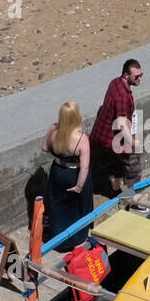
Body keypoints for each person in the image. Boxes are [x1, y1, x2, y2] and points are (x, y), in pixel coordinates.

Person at [42, 101, 93, 252]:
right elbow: (84, 166)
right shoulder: (81, 138)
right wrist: (79, 186)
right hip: (74, 174)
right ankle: (78, 239)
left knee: (57, 205)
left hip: (57, 170)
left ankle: (58, 239)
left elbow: (44, 148)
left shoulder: (52, 130)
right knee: (78, 207)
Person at [91, 59, 142, 194]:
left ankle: (115, 190)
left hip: (102, 135)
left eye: (141, 75)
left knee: (112, 164)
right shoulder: (123, 96)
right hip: (115, 139)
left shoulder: (115, 82)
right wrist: (133, 142)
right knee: (133, 167)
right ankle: (134, 198)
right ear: (126, 75)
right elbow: (121, 125)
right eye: (136, 76)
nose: (140, 79)